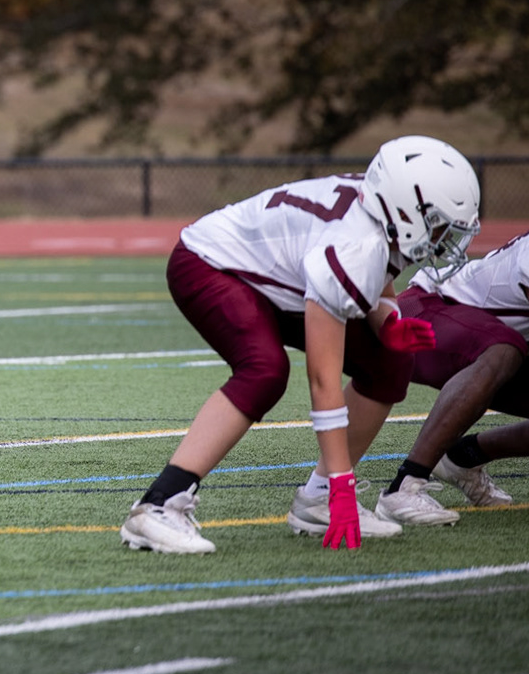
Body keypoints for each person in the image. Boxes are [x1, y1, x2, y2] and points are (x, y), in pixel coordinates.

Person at [121, 136, 480, 554]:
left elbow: (380, 266)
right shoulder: (352, 246)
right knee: (265, 371)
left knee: (390, 361)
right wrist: (344, 486)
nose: (444, 238)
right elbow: (323, 381)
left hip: (279, 275)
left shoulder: (378, 211)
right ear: (406, 211)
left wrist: (386, 320)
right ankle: (158, 506)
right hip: (210, 265)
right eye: (438, 224)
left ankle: (316, 499)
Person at [369, 224, 529, 524]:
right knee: (504, 347)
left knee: (505, 348)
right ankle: (404, 486)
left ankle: (463, 457)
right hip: (426, 311)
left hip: (488, 346)